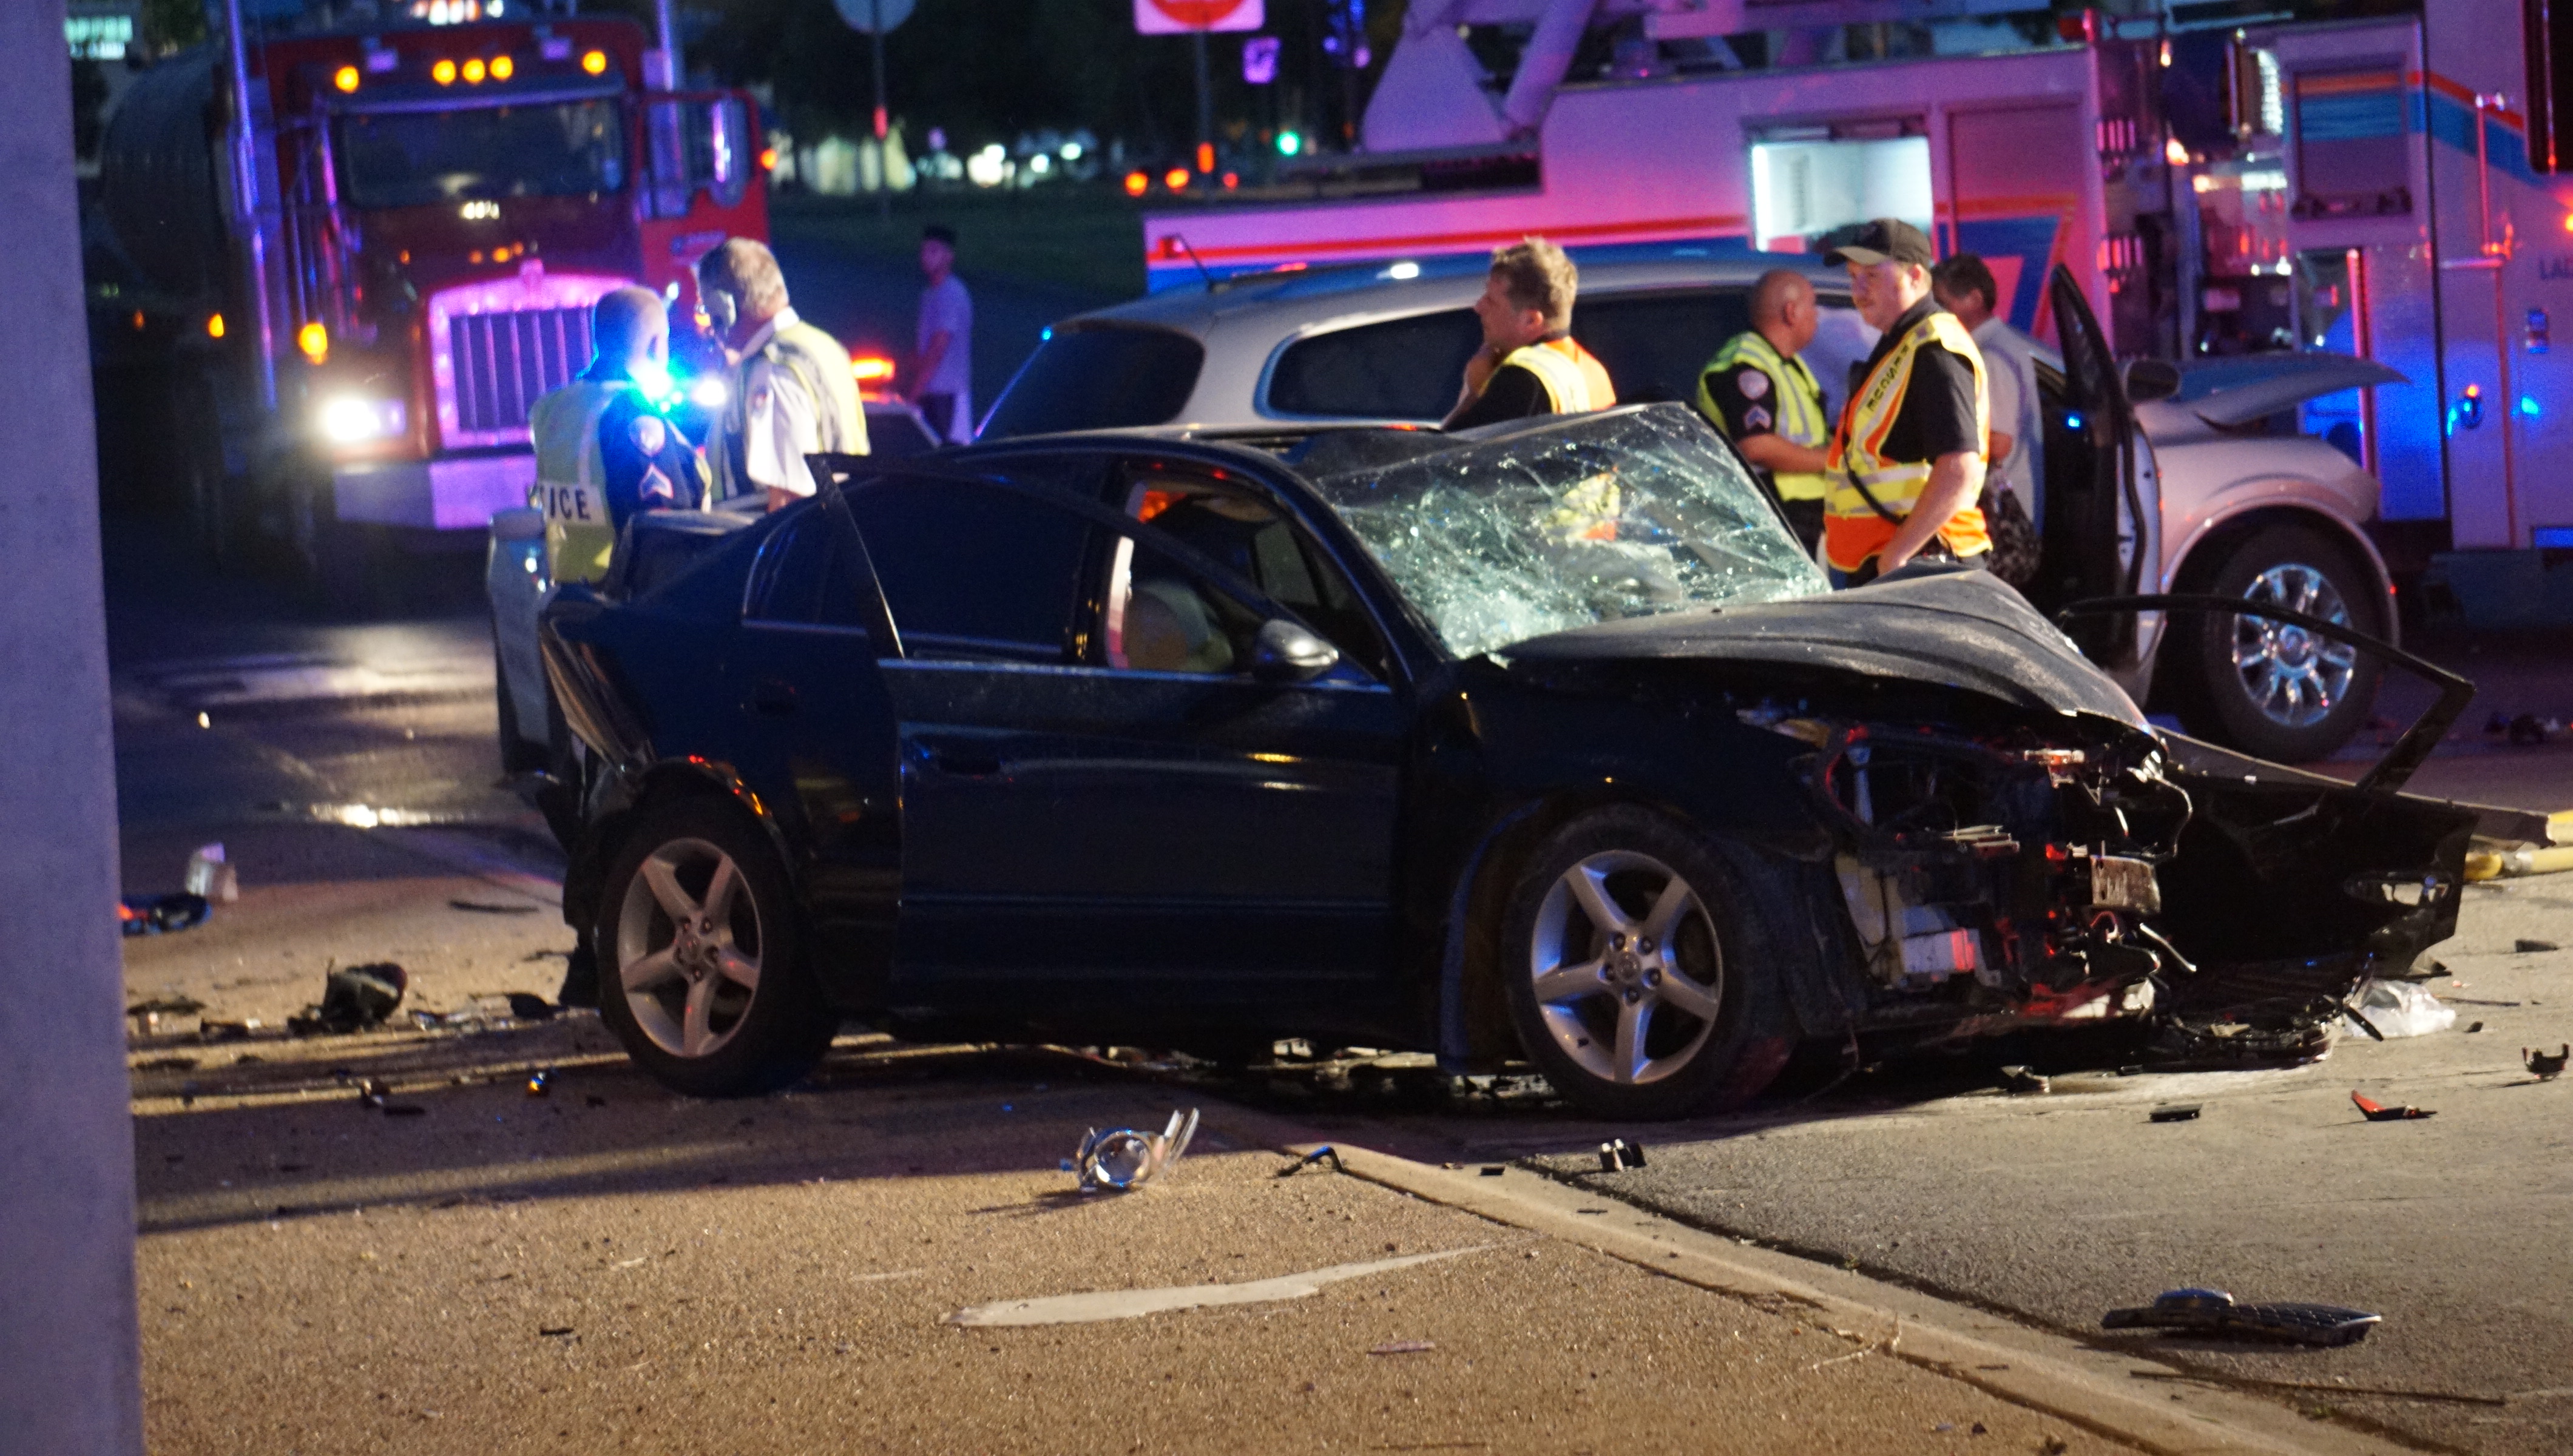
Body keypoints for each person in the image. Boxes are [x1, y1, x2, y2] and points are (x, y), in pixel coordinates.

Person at [1819, 219, 1991, 587]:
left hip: (1922, 565)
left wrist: (1897, 556)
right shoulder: (1902, 343)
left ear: (1915, 276)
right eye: (1852, 277)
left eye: (1872, 276)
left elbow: (1959, 467)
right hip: (1900, 564)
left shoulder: (1934, 347)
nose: (1859, 290)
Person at [526, 286, 708, 585]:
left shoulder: (552, 408)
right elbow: (662, 531)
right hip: (630, 600)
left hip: (571, 597)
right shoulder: (632, 415)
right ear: (656, 346)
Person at [694, 237, 866, 511]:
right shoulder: (823, 346)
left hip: (787, 547)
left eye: (707, 308)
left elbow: (788, 495)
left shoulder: (771, 370)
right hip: (837, 537)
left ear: (723, 307)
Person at [1694, 269, 1834, 554]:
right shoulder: (1746, 365)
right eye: (1812, 305)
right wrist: (1832, 459)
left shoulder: (1782, 362)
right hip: (1778, 520)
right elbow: (1755, 446)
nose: (1817, 315)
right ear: (1791, 312)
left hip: (1801, 518)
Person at [1442, 237, 1617, 430]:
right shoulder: (1593, 370)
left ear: (1531, 321)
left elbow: (1451, 452)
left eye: (1491, 301)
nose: (1479, 307)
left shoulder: (1523, 377)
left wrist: (1474, 394)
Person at [1931, 253, 2044, 528]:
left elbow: (1998, 444)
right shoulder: (1998, 345)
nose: (1937, 314)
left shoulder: (1990, 356)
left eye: (1943, 304)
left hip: (2003, 514)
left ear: (1975, 299)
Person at [913, 223, 975, 444]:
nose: (927, 257)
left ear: (949, 256)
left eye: (934, 251)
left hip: (948, 394)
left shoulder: (950, 294)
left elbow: (939, 345)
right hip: (934, 392)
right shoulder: (930, 294)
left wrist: (916, 390)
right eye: (924, 251)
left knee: (949, 454)